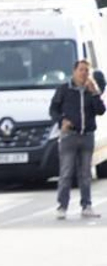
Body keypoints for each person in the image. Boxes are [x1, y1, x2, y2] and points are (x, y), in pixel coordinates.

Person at [48, 59, 103, 220]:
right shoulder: (64, 89)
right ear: (74, 71)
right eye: (81, 70)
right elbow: (53, 109)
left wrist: (94, 93)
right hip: (69, 137)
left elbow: (101, 111)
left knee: (85, 174)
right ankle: (62, 206)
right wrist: (61, 121)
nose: (84, 73)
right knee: (66, 173)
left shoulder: (90, 90)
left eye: (87, 71)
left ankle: (86, 206)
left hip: (87, 136)